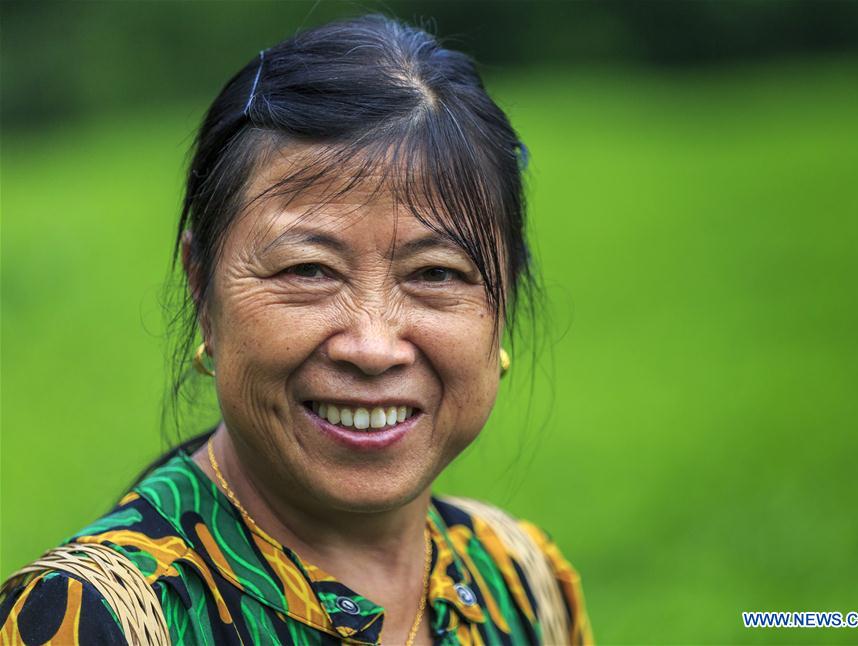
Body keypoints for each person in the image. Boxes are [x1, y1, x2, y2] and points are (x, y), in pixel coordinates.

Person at [0, 14, 593, 645]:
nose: (372, 347)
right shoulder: (94, 620)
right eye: (309, 270)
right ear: (202, 288)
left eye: (436, 274)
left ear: (502, 302)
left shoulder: (519, 584)